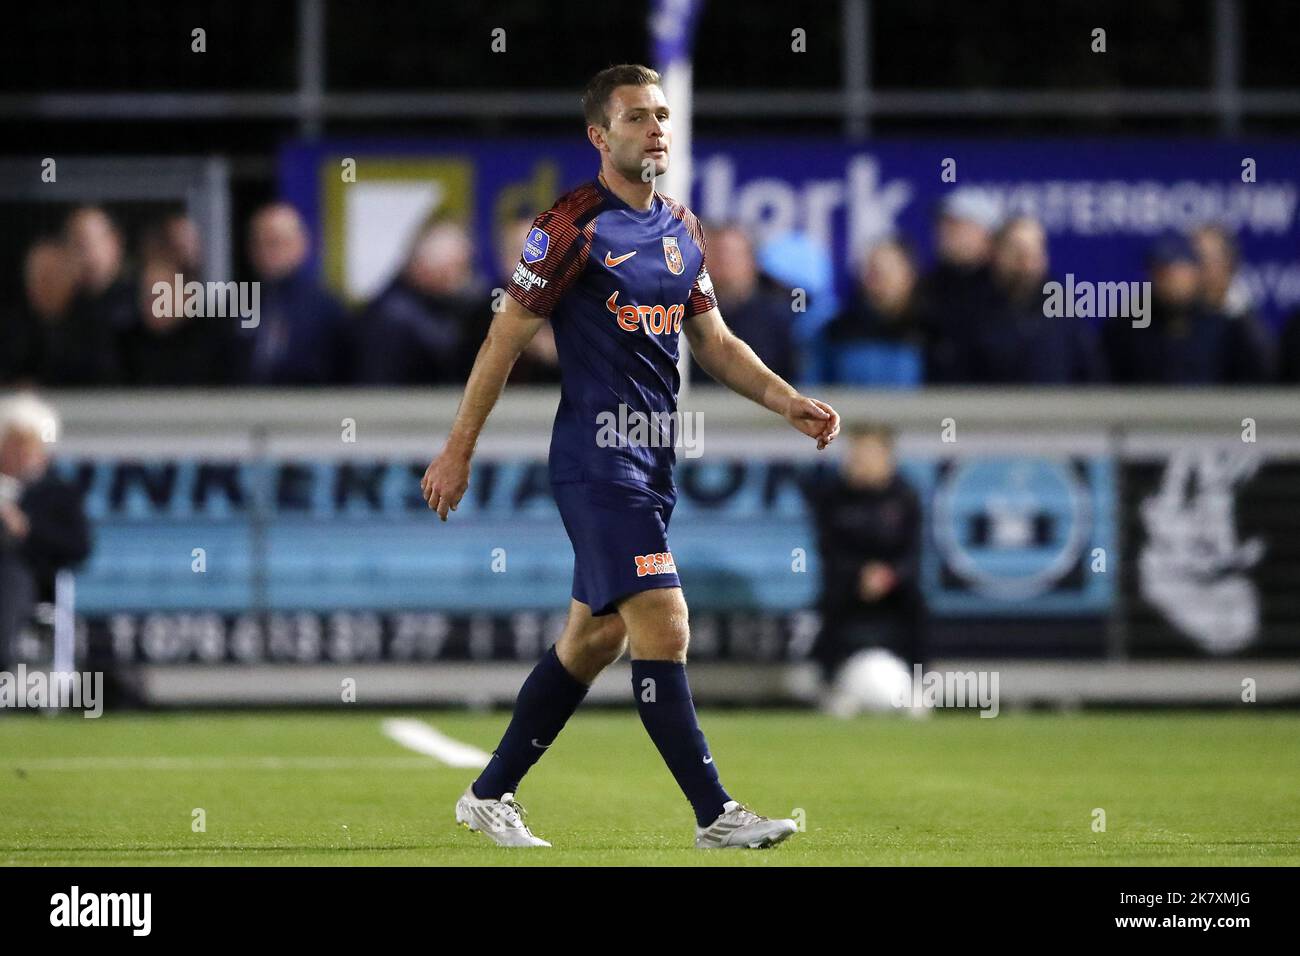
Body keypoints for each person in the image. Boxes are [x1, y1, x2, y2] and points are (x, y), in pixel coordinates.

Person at [420, 64, 840, 850]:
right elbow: (502, 342)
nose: (655, 129)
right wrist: (457, 451)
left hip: (653, 463)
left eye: (662, 115)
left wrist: (788, 401)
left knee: (593, 640)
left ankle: (490, 793)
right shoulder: (569, 227)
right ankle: (715, 813)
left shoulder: (681, 226)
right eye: (637, 117)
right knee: (664, 622)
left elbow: (713, 342)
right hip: (594, 459)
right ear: (599, 136)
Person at [804, 423, 923, 686]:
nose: (860, 461)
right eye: (856, 453)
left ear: (886, 457)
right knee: (830, 601)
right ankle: (829, 683)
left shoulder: (906, 497)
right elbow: (829, 551)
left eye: (869, 454)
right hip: (848, 581)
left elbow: (913, 553)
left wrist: (888, 576)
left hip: (894, 585)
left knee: (917, 603)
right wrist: (860, 574)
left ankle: (919, 685)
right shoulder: (833, 497)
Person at [0, 394, 91, 670]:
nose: (20, 453)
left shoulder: (56, 494)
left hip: (29, 580)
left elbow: (78, 547)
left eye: (27, 444)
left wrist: (26, 529)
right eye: (13, 443)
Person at [352, 220, 492, 384]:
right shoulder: (390, 318)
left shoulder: (452, 305)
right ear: (422, 267)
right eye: (456, 268)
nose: (463, 280)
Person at [969, 216, 1105, 384]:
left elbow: (1091, 375)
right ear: (996, 253)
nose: (1026, 262)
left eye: (1035, 252)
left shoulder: (1064, 310)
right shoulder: (971, 310)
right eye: (1016, 251)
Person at [242, 203, 348, 384]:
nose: (265, 252)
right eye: (257, 243)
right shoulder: (239, 302)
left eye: (274, 242)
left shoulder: (326, 308)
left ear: (301, 244)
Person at [687, 223, 796, 385]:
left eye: (732, 255)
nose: (724, 263)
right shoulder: (681, 314)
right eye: (715, 255)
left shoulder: (780, 318)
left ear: (752, 262)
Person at [814, 237, 924, 386]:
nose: (882, 278)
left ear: (909, 275)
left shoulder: (931, 332)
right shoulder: (837, 331)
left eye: (890, 269)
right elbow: (814, 391)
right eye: (874, 270)